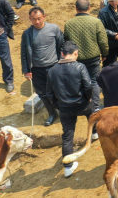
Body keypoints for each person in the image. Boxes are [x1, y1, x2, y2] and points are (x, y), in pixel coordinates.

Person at [46, 41, 93, 178]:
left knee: (67, 136)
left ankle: (68, 167)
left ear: (61, 54)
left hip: (64, 108)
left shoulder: (52, 70)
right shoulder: (80, 67)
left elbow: (48, 93)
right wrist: (88, 98)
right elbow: (88, 86)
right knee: (92, 114)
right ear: (75, 53)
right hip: (82, 104)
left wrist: (57, 105)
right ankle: (95, 133)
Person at [20, 6, 63, 126]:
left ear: (44, 17)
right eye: (34, 19)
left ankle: (63, 111)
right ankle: (52, 113)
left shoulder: (54, 29)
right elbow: (24, 53)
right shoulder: (27, 34)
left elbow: (61, 46)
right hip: (37, 70)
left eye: (39, 18)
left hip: (54, 67)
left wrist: (62, 63)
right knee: (42, 94)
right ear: (30, 19)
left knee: (58, 90)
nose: (37, 22)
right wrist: (26, 70)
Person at [63, 0, 107, 112]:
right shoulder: (96, 22)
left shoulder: (69, 24)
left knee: (79, 81)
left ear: (76, 9)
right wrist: (105, 53)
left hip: (76, 59)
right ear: (89, 8)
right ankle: (96, 106)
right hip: (93, 58)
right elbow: (102, 41)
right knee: (94, 81)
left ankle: (82, 105)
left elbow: (66, 42)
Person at [98, 0, 118, 67]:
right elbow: (101, 28)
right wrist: (114, 35)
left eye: (115, 0)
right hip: (110, 44)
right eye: (111, 1)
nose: (114, 3)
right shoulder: (103, 12)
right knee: (109, 66)